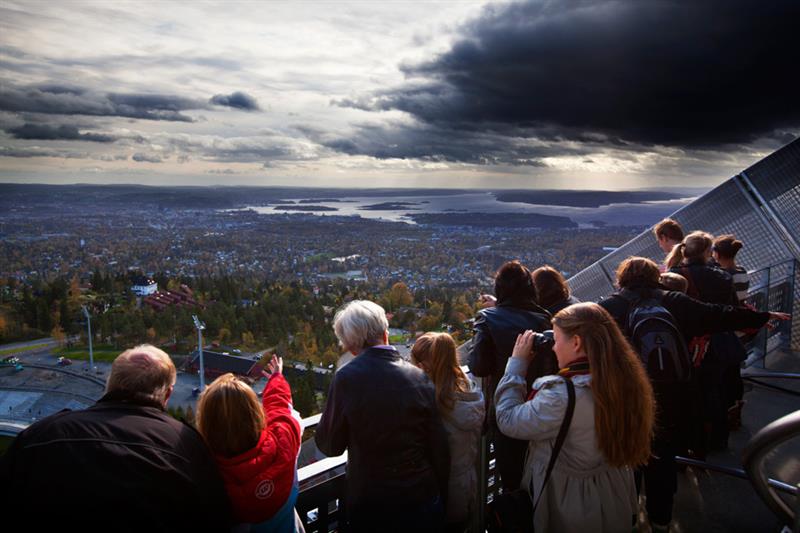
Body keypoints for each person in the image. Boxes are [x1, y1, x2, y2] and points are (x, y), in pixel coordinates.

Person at [599, 257, 790, 530]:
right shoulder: (676, 301)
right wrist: (762, 316)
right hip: (673, 396)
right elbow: (719, 314)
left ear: (622, 278)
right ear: (656, 276)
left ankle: (628, 517)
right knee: (663, 461)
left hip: (628, 399)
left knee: (627, 462)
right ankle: (661, 520)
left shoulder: (608, 309)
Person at [0, 344, 232, 531]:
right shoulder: (186, 444)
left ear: (110, 383)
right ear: (168, 394)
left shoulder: (41, 435)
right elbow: (215, 518)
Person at [495, 303, 656, 532]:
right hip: (614, 493)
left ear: (577, 342)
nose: (553, 348)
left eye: (557, 339)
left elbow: (508, 420)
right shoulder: (625, 379)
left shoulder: (562, 397)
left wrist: (516, 366)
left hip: (571, 505)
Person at [315, 300, 450, 533]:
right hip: (421, 497)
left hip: (373, 504)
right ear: (385, 332)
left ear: (351, 345)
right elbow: (439, 446)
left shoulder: (347, 379)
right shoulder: (419, 377)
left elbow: (330, 445)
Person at [468, 260, 553, 491]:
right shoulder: (545, 319)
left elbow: (478, 367)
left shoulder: (487, 318)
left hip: (503, 408)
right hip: (540, 406)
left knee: (511, 479)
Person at [196, 354, 303, 532]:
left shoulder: (204, 475)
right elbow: (280, 408)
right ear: (255, 413)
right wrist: (277, 379)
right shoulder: (283, 443)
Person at [666, 231, 739, 451]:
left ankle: (690, 442)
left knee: (686, 394)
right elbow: (732, 311)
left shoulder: (674, 275)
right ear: (708, 252)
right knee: (713, 391)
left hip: (684, 344)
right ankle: (717, 439)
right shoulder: (721, 276)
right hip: (715, 343)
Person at [412, 332, 485, 532]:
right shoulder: (468, 391)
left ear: (423, 367)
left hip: (440, 493)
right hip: (467, 484)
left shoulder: (433, 405)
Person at [711, 234, 751, 429]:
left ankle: (724, 416)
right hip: (740, 331)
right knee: (734, 375)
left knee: (722, 378)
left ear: (716, 254)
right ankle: (735, 411)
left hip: (727, 332)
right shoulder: (742, 272)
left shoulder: (722, 277)